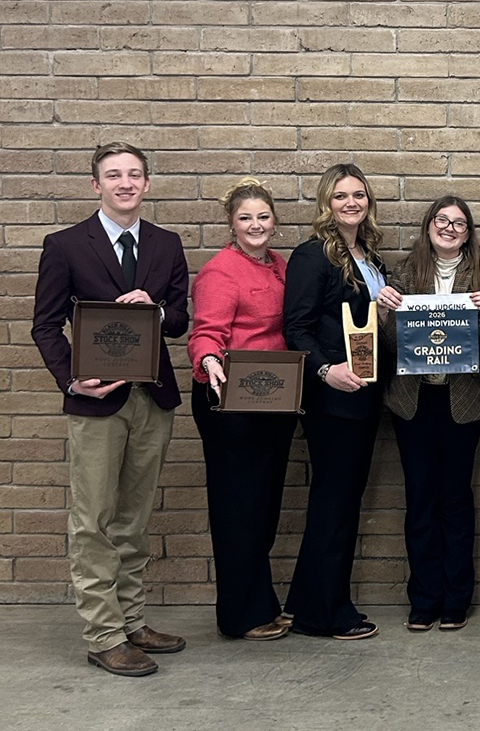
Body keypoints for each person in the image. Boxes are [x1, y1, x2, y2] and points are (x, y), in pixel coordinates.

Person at [31, 142, 189, 676]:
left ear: (147, 183)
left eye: (134, 174)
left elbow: (179, 321)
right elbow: (45, 325)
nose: (126, 183)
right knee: (93, 519)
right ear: (95, 184)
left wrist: (156, 308)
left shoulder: (167, 244)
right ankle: (103, 635)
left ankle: (132, 621)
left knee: (134, 520)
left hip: (153, 398)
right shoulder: (65, 245)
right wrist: (72, 380)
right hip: (96, 401)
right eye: (114, 175)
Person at [283, 163, 397, 640]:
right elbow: (296, 328)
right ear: (326, 203)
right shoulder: (312, 255)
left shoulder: (369, 257)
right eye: (341, 196)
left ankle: (309, 603)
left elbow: (368, 326)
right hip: (332, 399)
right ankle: (326, 613)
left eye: (359, 195)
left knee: (343, 503)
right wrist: (326, 371)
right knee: (334, 504)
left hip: (363, 397)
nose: (351, 203)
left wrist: (388, 312)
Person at [379, 197, 480, 632]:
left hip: (462, 403)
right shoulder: (403, 274)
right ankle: (423, 599)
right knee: (419, 499)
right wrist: (385, 314)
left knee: (455, 498)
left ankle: (456, 599)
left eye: (459, 223)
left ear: (468, 234)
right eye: (442, 220)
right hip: (413, 402)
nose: (449, 228)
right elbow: (391, 346)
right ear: (429, 226)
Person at [188, 177, 297, 642]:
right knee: (239, 509)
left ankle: (261, 604)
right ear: (231, 224)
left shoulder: (280, 266)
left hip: (274, 398)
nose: (255, 225)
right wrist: (209, 360)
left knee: (263, 505)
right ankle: (240, 616)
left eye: (263, 216)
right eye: (245, 218)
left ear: (274, 221)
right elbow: (205, 332)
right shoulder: (220, 272)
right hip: (230, 400)